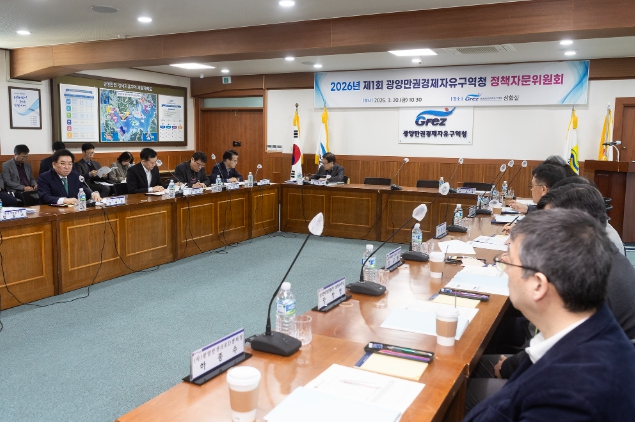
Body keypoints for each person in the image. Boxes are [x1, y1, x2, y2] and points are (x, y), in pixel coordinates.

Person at [465, 209, 635, 421]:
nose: (505, 269)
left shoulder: (568, 398)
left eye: (509, 262)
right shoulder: (590, 326)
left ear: (538, 285)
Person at [37, 149, 101, 205]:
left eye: (70, 164)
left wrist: (93, 194)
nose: (67, 167)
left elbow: (82, 190)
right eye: (63, 163)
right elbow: (44, 197)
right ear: (54, 165)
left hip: (73, 210)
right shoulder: (44, 177)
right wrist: (64, 200)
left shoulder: (75, 175)